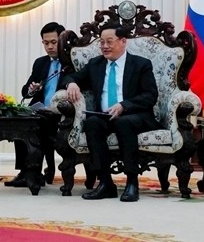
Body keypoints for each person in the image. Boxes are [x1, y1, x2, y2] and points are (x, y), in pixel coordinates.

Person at [60, 22, 161, 202]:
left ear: (123, 41)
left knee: (124, 122)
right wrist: (72, 83)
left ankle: (132, 183)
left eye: (109, 42)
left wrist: (124, 105)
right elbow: (70, 76)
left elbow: (150, 95)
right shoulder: (95, 64)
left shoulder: (141, 64)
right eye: (101, 42)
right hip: (105, 115)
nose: (104, 46)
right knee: (92, 123)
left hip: (135, 115)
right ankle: (105, 183)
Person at [5, 21, 69, 188]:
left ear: (62, 41)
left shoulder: (71, 62)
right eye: (45, 43)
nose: (49, 47)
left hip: (61, 113)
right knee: (19, 123)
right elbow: (25, 92)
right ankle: (25, 172)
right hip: (40, 110)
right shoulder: (41, 63)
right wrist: (32, 89)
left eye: (53, 42)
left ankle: (34, 173)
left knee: (36, 127)